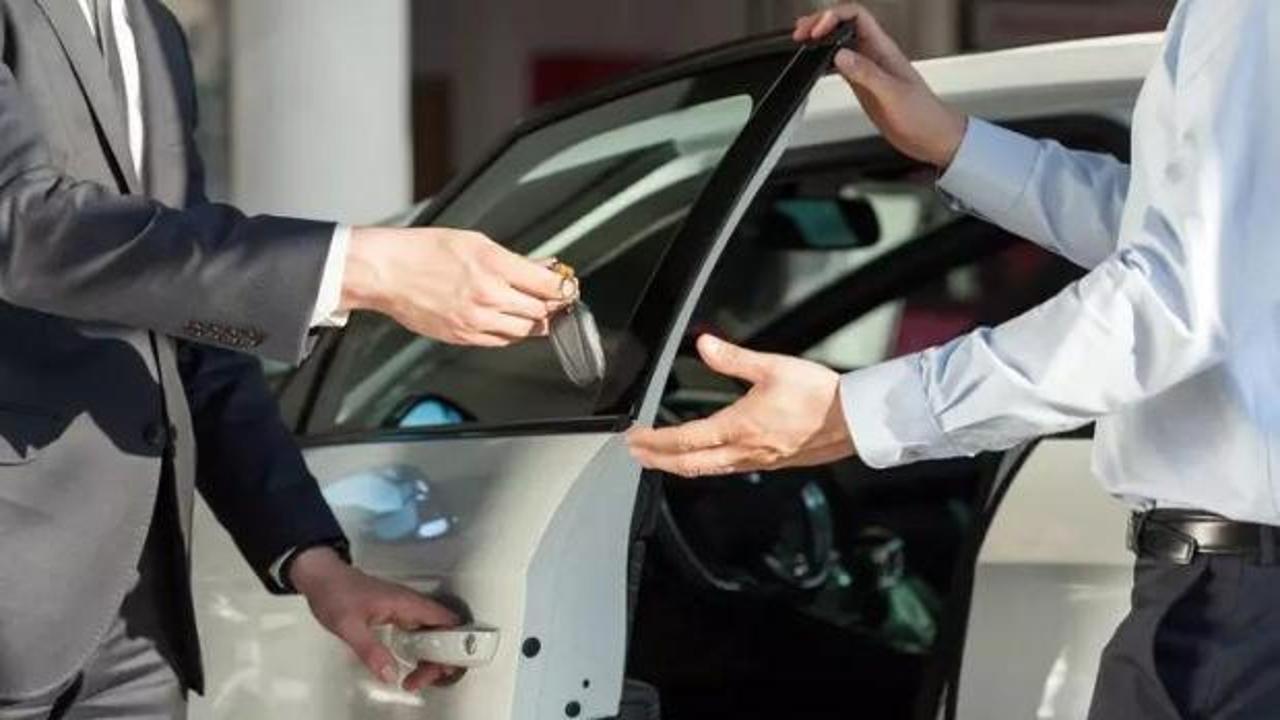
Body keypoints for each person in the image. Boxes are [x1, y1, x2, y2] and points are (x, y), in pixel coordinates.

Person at [629, 1, 1280, 717]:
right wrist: (952, 141)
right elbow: (1200, 242)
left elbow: (1176, 291)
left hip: (1234, 604)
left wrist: (862, 413)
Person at [0, 0, 568, 717]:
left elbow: (185, 320)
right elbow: (23, 228)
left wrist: (315, 564)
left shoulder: (153, 31)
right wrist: (360, 266)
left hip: (140, 627)